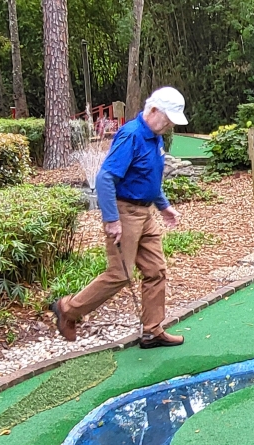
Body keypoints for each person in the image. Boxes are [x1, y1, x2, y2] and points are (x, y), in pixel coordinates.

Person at [50, 87, 188, 349]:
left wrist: (163, 206)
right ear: (154, 110)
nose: (169, 124)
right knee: (120, 274)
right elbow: (105, 178)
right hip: (124, 212)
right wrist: (112, 219)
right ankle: (68, 309)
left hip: (145, 213)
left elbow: (149, 177)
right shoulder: (131, 136)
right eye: (167, 117)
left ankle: (152, 331)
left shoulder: (155, 137)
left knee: (155, 270)